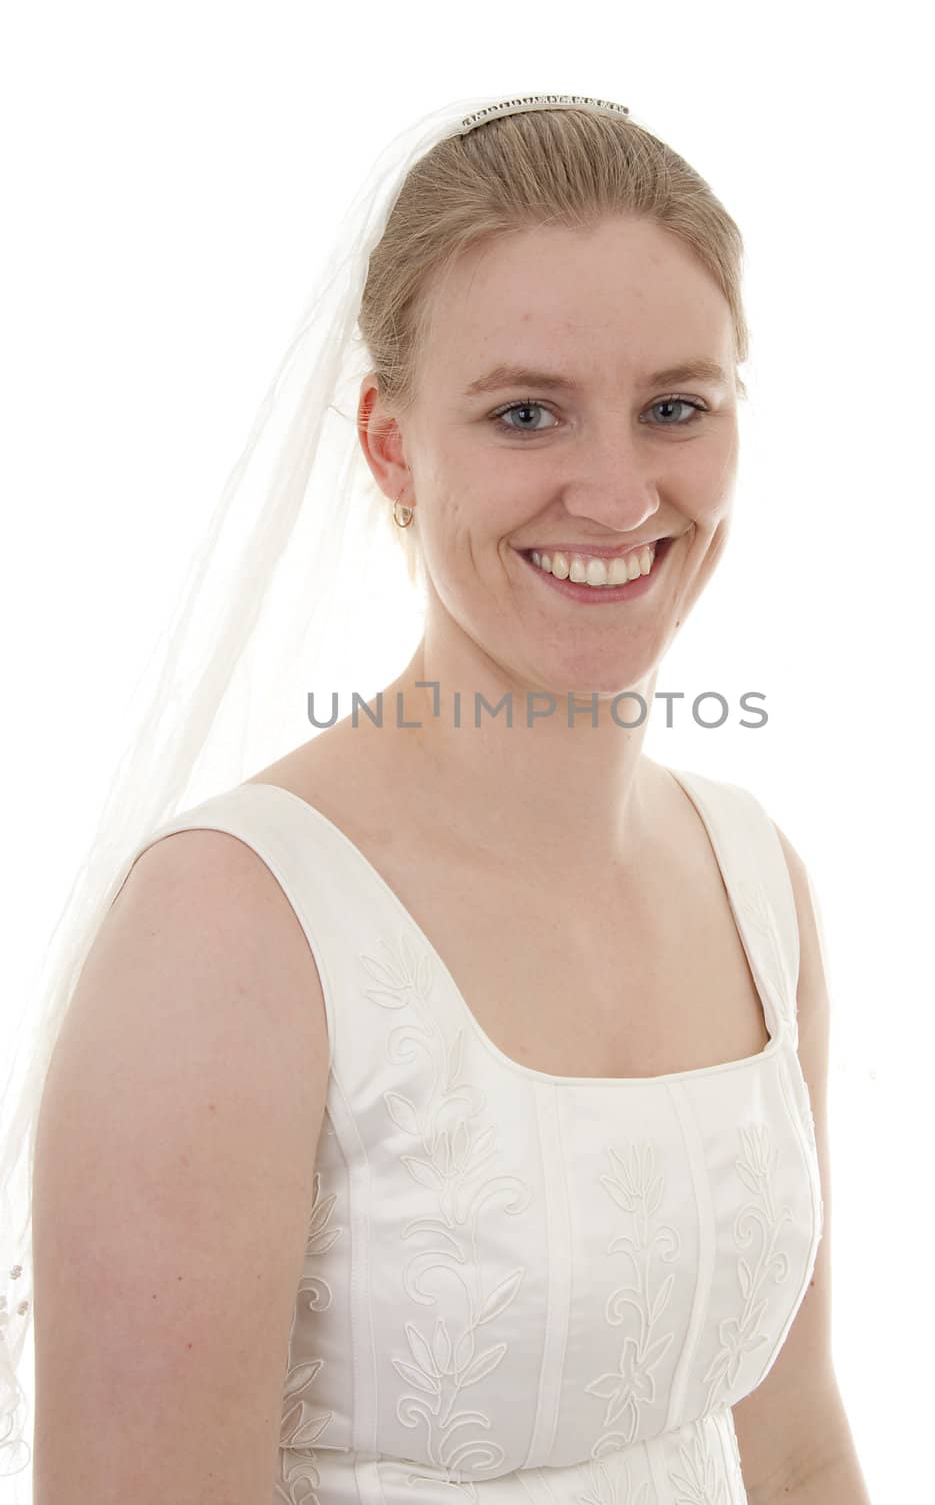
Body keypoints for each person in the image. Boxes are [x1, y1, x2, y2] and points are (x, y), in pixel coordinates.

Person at [3, 95, 869, 1502]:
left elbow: (799, 1441)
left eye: (675, 408)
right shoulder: (230, 926)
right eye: (527, 413)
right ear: (393, 447)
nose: (615, 491)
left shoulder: (756, 879)